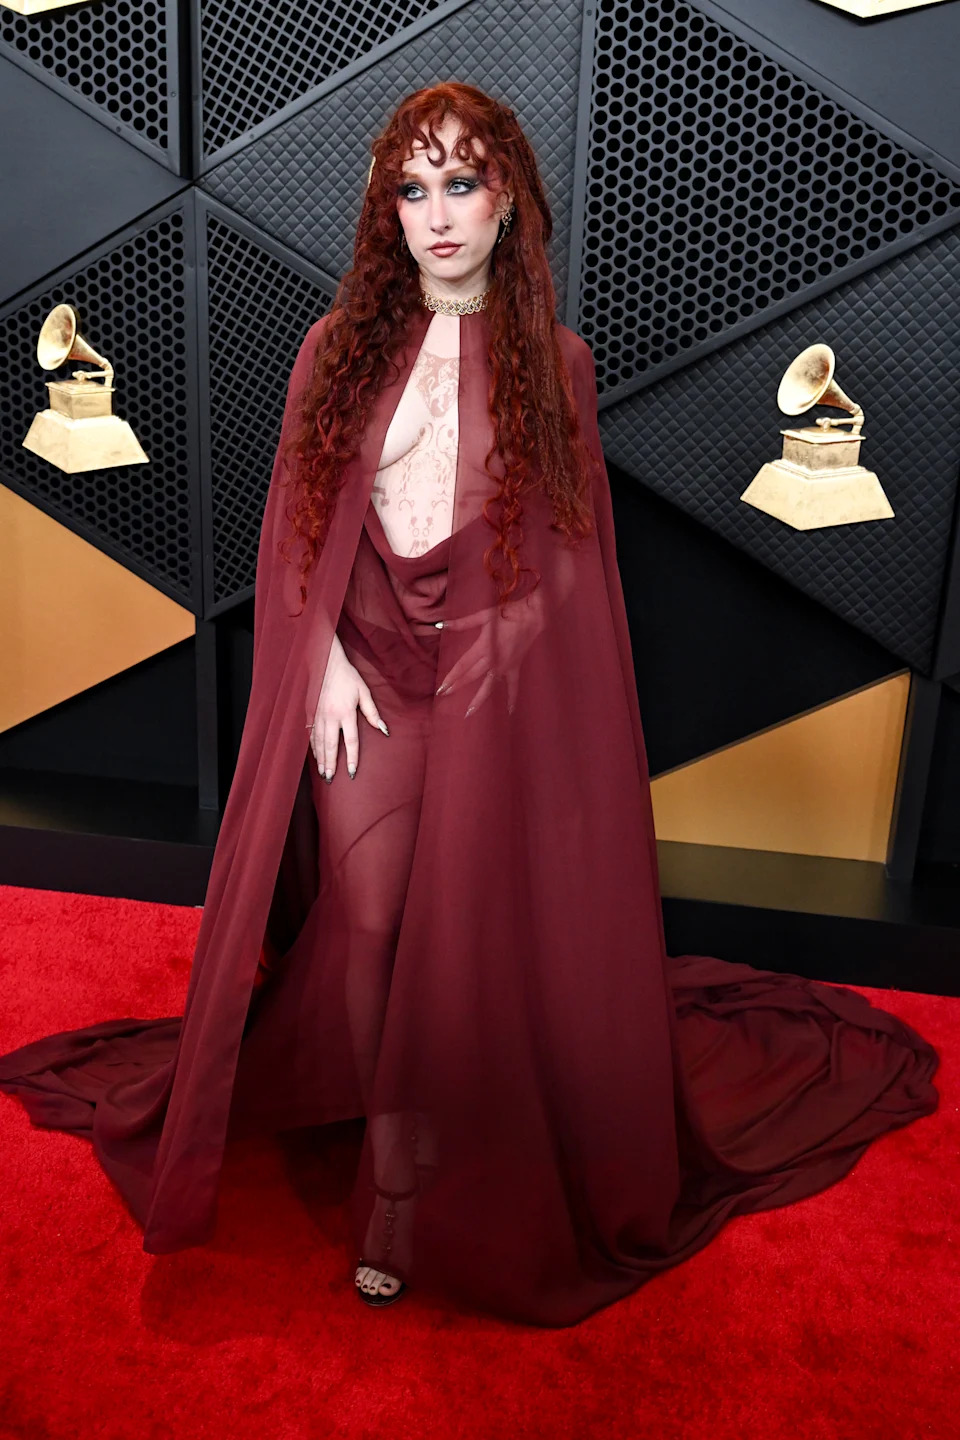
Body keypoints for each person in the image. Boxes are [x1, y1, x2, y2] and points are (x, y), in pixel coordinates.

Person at [0, 82, 939, 1327]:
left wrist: (508, 664)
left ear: (509, 202)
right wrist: (317, 659)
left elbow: (565, 555)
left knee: (459, 937)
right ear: (387, 207)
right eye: (412, 187)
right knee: (380, 917)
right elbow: (293, 530)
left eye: (462, 184)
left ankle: (399, 1200)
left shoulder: (559, 365)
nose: (437, 214)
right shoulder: (334, 348)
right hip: (366, 685)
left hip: (490, 689)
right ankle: (370, 1125)